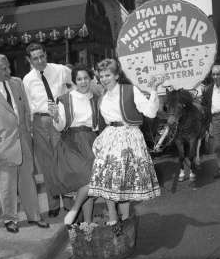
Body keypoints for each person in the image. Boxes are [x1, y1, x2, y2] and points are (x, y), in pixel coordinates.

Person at [0, 54, 49, 233]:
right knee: (7, 184)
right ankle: (9, 219)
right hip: (3, 146)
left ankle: (34, 216)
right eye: (3, 69)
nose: (8, 71)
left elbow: (25, 109)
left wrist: (29, 132)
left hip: (23, 141)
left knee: (28, 181)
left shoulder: (16, 82)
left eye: (8, 67)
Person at [88, 58, 163, 225]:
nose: (104, 79)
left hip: (129, 136)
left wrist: (153, 91)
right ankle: (113, 217)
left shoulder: (130, 90)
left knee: (123, 180)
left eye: (108, 75)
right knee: (108, 177)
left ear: (116, 76)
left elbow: (150, 113)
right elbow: (100, 121)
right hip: (110, 137)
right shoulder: (102, 97)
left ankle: (126, 218)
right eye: (102, 76)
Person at [23, 43, 73, 218]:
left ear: (46, 54)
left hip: (59, 119)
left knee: (62, 161)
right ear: (29, 60)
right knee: (47, 164)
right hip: (40, 122)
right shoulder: (27, 80)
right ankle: (53, 203)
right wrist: (30, 130)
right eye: (35, 58)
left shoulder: (61, 70)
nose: (39, 61)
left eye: (42, 56)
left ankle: (68, 201)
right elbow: (28, 107)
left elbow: (73, 87)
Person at [48, 64, 98, 224]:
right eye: (79, 79)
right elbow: (60, 126)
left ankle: (87, 223)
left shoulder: (95, 98)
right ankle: (76, 211)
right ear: (74, 81)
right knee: (87, 179)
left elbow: (98, 124)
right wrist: (55, 117)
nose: (83, 82)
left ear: (91, 79)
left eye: (85, 78)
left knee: (88, 183)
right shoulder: (65, 99)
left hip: (91, 140)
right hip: (72, 142)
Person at [201, 64, 220, 177]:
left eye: (218, 74)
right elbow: (204, 106)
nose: (216, 76)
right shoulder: (208, 90)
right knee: (217, 146)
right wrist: (208, 124)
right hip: (215, 119)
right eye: (214, 74)